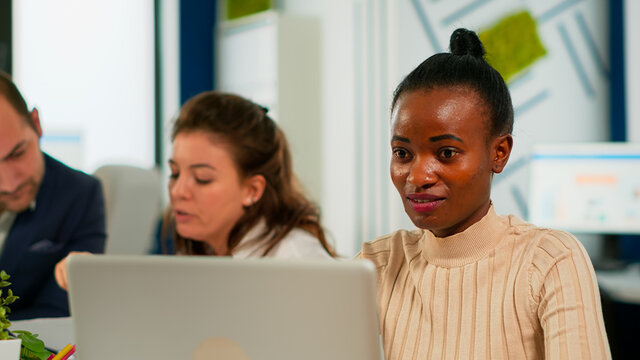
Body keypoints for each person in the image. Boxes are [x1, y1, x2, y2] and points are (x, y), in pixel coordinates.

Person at [359, 29, 611, 359]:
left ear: (499, 152)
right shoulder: (377, 264)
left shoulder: (550, 261)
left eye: (446, 153)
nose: (417, 176)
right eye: (402, 153)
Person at [54, 91, 335, 289]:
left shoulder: (298, 264)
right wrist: (93, 279)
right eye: (175, 173)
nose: (178, 191)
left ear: (252, 189)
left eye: (202, 178)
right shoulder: (204, 252)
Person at [0, 71, 106, 320]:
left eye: (18, 154)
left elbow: (59, 313)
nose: (9, 183)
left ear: (36, 124)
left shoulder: (80, 196)